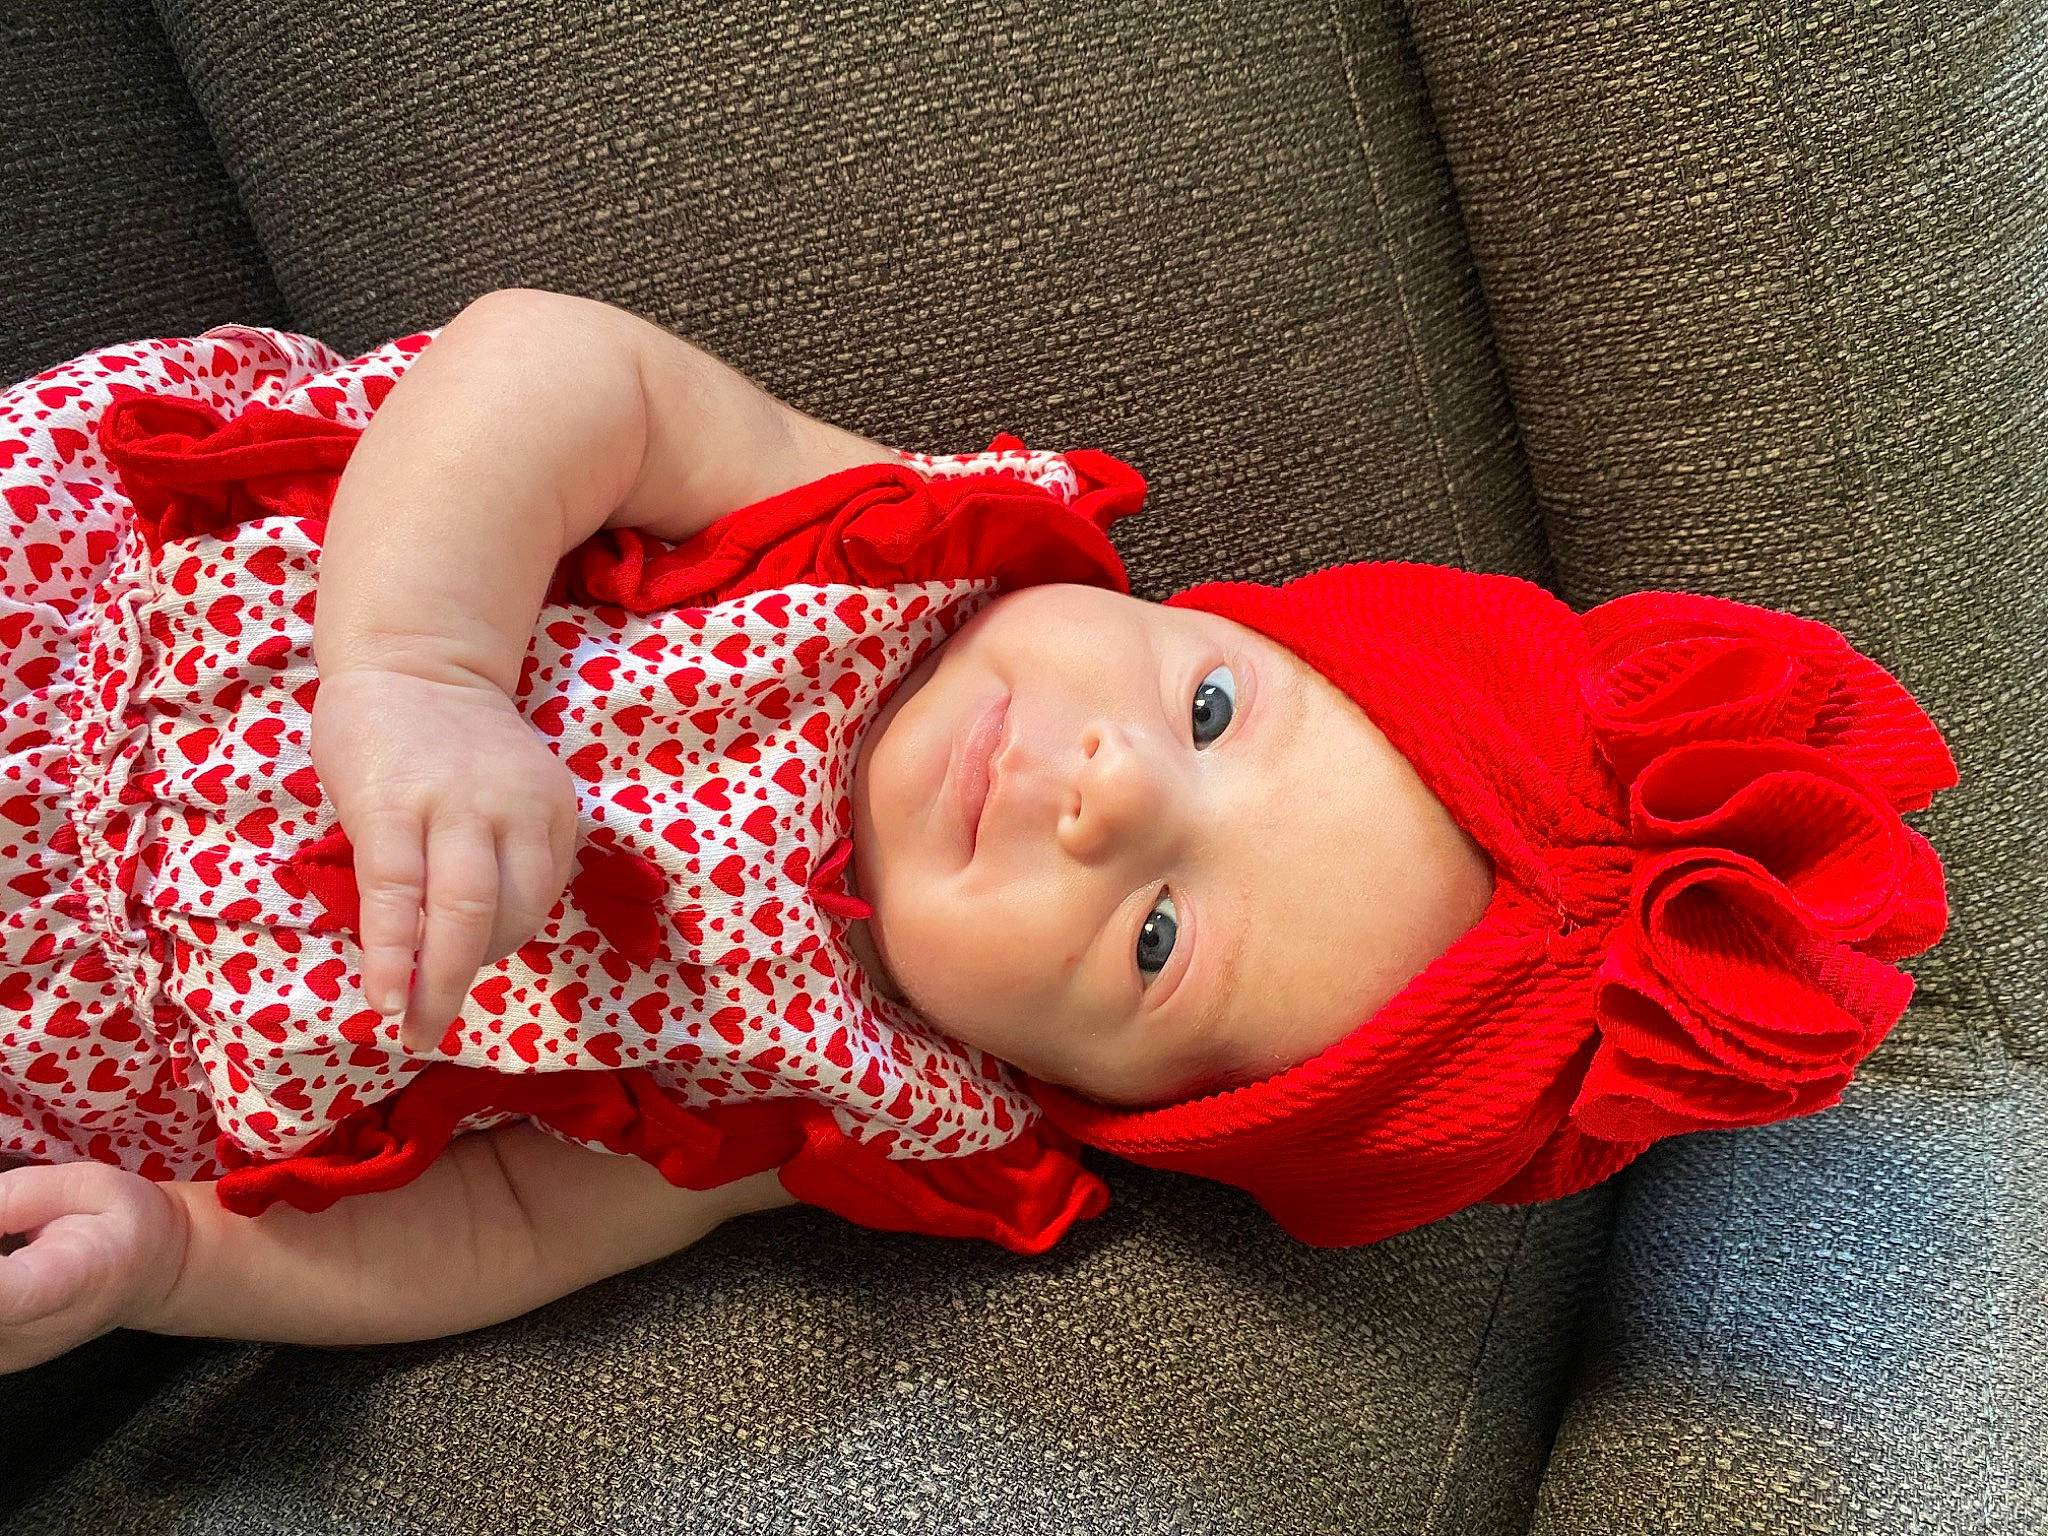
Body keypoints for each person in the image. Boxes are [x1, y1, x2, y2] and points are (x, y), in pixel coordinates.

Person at [0, 290, 1958, 1373]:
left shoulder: (839, 1101)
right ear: (1215, 619)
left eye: (1157, 938)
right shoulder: (888, 552)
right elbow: (548, 366)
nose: (1116, 791)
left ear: (1073, 1089)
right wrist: (419, 670)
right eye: (1211, 709)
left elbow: (493, 1233)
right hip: (93, 619)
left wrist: (168, 1261)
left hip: (77, 1063)